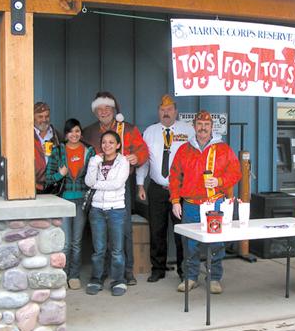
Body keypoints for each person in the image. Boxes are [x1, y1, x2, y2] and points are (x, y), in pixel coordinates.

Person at [169, 110, 241, 294]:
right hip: (190, 204)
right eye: (199, 124)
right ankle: (191, 277)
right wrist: (175, 200)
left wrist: (219, 181)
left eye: (206, 125)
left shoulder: (223, 149)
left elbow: (236, 172)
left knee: (215, 242)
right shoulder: (184, 150)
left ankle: (214, 278)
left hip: (214, 203)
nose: (202, 128)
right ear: (194, 126)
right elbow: (174, 176)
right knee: (190, 243)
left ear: (211, 127)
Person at [83, 91, 148, 285]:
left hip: (121, 187)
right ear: (95, 111)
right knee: (98, 233)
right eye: (100, 108)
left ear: (114, 110)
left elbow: (142, 149)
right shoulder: (88, 131)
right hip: (96, 190)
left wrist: (138, 158)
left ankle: (127, 271)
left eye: (107, 108)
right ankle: (101, 272)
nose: (103, 112)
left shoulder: (127, 129)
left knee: (123, 229)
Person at [136, 94, 195, 283]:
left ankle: (183, 270)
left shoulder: (188, 131)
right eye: (162, 110)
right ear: (158, 112)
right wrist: (139, 184)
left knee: (182, 231)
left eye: (169, 110)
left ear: (176, 111)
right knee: (157, 229)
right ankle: (158, 268)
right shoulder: (150, 132)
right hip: (156, 188)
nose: (166, 113)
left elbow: (195, 160)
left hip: (181, 189)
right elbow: (144, 161)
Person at [45, 119, 95, 290]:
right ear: (65, 134)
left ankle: (74, 276)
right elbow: (47, 179)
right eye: (70, 132)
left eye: (77, 131)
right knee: (65, 242)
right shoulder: (58, 151)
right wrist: (60, 174)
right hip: (63, 200)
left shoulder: (89, 151)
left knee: (76, 241)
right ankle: (62, 275)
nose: (74, 135)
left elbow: (95, 176)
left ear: (81, 132)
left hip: (81, 201)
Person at [84, 131, 130, 296]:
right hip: (97, 209)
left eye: (111, 142)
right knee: (99, 249)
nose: (107, 145)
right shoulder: (95, 160)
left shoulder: (123, 161)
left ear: (118, 145)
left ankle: (118, 281)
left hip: (116, 209)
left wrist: (97, 184)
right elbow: (88, 182)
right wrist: (93, 165)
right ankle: (96, 279)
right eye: (104, 142)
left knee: (117, 249)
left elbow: (117, 184)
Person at [34, 102, 61, 193]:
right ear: (33, 117)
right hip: (33, 186)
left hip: (54, 185)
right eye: (40, 116)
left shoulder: (57, 135)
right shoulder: (26, 136)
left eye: (47, 116)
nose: (44, 119)